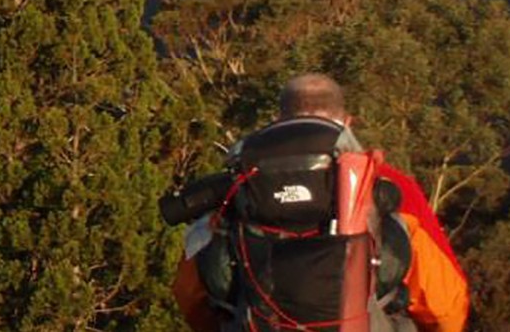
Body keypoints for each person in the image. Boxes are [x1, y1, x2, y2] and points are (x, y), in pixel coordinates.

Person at [171, 73, 470, 332]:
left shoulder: (238, 191)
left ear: (279, 122)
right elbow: (446, 306)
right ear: (347, 123)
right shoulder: (387, 187)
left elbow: (189, 294)